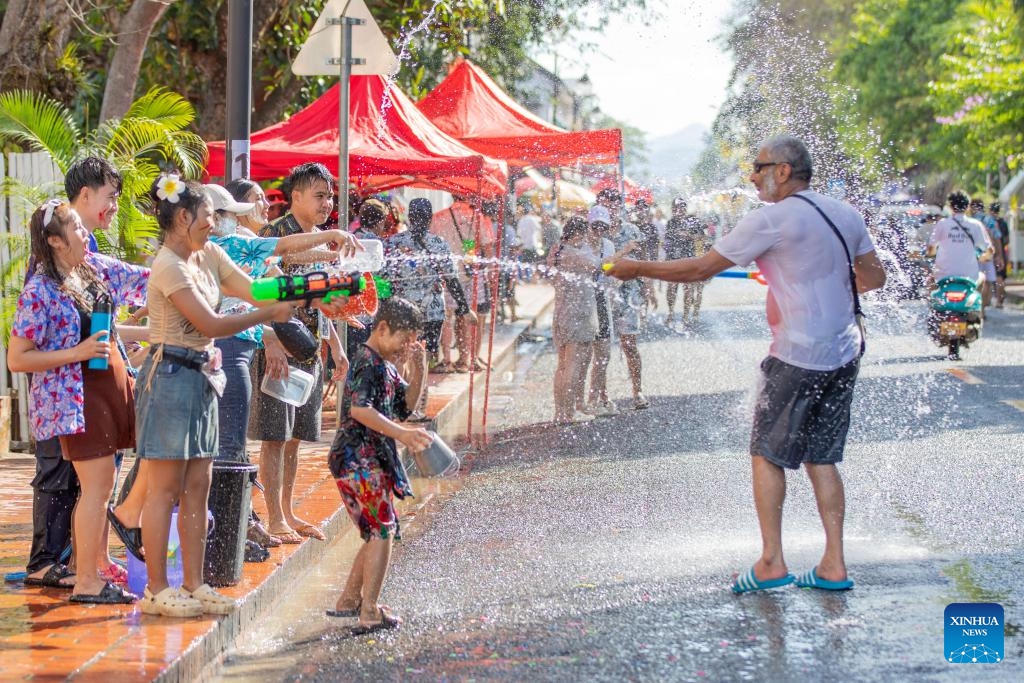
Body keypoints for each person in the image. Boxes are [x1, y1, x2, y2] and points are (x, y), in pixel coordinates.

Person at [608, 135, 886, 593]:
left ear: (783, 171)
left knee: (765, 453)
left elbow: (700, 269)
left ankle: (772, 562)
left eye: (758, 167)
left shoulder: (771, 220)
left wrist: (636, 269)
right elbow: (873, 277)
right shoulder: (846, 214)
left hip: (798, 355)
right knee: (822, 456)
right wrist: (812, 281)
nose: (751, 176)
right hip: (845, 351)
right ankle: (834, 564)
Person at [134, 177, 316, 616]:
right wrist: (270, 315)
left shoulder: (209, 253)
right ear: (182, 218)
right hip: (170, 375)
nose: (216, 223)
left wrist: (305, 288)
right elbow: (211, 324)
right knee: (163, 489)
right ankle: (158, 589)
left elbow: (253, 288)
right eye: (209, 215)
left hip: (202, 376)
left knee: (200, 483)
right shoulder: (169, 267)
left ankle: (196, 585)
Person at [9, 199, 149, 604]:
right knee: (97, 489)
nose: (86, 232)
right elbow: (17, 358)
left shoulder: (91, 270)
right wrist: (77, 350)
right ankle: (87, 580)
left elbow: (145, 279)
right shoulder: (40, 291)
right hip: (75, 397)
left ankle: (95, 567)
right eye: (75, 228)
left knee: (106, 484)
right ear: (54, 240)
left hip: (108, 389)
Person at [207, 182, 356, 555]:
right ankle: (231, 532)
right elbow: (275, 269)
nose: (244, 216)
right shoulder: (229, 246)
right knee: (230, 445)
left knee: (231, 445)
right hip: (228, 349)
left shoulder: (226, 247)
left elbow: (264, 288)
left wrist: (327, 287)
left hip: (241, 345)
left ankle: (235, 528)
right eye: (230, 214)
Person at [251, 163, 348, 545]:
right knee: (275, 435)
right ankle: (274, 516)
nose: (327, 203)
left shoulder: (324, 241)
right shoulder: (275, 235)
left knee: (295, 437)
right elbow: (259, 290)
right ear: (296, 197)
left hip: (311, 348)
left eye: (330, 196)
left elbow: (322, 302)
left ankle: (288, 510)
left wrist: (336, 347)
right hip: (279, 347)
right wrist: (270, 338)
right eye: (319, 196)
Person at [327, 298, 432, 634]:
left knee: (377, 530)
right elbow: (360, 410)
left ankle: (349, 599)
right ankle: (369, 609)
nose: (406, 346)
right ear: (383, 328)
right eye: (404, 338)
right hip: (356, 457)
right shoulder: (366, 361)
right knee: (382, 530)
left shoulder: (385, 365)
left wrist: (419, 365)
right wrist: (402, 434)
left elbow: (406, 407)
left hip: (370, 457)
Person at [383, 198, 476, 378]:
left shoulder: (393, 242)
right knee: (423, 357)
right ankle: (419, 396)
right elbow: (451, 280)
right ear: (430, 219)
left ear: (410, 216)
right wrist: (464, 309)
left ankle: (403, 397)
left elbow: (385, 278)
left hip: (402, 310)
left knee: (402, 354)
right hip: (431, 312)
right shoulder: (439, 243)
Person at [549, 216, 600, 424]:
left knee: (561, 365)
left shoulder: (557, 251)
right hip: (577, 313)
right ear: (578, 233)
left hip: (560, 312)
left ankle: (559, 412)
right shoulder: (576, 255)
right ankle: (567, 413)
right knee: (572, 364)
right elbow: (601, 266)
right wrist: (621, 254)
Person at [602, 191, 650, 410]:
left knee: (630, 344)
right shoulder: (596, 233)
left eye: (614, 203)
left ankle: (637, 390)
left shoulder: (632, 230)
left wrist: (648, 288)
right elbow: (601, 267)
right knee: (601, 348)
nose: (611, 208)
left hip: (629, 293)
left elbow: (644, 262)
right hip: (603, 294)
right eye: (606, 203)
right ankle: (601, 395)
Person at [926, 192, 993, 305]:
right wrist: (984, 258)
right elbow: (990, 250)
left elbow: (931, 248)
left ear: (950, 206)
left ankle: (934, 311)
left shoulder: (942, 224)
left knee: (930, 281)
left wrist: (930, 254)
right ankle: (977, 311)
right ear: (967, 207)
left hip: (943, 275)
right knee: (982, 278)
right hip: (969, 277)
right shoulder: (976, 225)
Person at [663, 198, 710, 326]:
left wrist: (689, 236)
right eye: (677, 207)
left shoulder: (692, 222)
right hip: (673, 259)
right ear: (673, 209)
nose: (679, 209)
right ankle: (671, 312)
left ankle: (685, 316)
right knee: (672, 287)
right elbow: (667, 242)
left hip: (689, 258)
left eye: (682, 207)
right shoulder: (671, 223)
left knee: (688, 288)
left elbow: (703, 237)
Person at [986, 202, 1008, 307]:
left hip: (990, 253)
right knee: (1000, 277)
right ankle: (1000, 301)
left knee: (988, 278)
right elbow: (1006, 239)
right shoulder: (1003, 222)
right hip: (1001, 252)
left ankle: (987, 300)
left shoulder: (988, 221)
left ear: (990, 210)